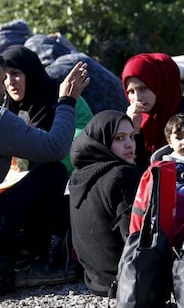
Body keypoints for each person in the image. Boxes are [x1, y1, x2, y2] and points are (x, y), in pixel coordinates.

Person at [0, 51, 89, 287]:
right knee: (52, 172)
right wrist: (67, 101)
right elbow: (55, 148)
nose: (7, 86)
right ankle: (29, 263)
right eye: (3, 81)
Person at [68, 110, 140, 296]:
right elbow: (134, 239)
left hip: (96, 281)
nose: (129, 144)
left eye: (132, 137)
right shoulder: (121, 174)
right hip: (126, 279)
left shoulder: (79, 174)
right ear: (103, 139)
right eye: (119, 138)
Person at [121, 52, 184, 171]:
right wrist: (132, 133)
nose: (137, 98)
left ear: (160, 84)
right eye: (131, 92)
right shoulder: (133, 118)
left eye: (143, 89)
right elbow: (132, 167)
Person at [2, 45, 94, 174]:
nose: (10, 82)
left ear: (30, 73)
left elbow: (84, 137)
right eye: (4, 76)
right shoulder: (8, 107)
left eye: (15, 74)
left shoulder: (65, 96)